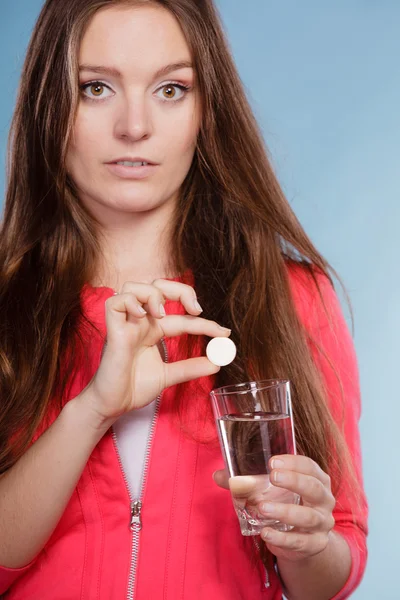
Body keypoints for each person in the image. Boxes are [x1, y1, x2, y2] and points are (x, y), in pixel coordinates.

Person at [0, 0, 368, 598]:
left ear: (205, 110)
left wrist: (306, 542)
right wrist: (92, 410)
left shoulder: (294, 298)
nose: (134, 126)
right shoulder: (8, 302)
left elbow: (339, 559)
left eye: (170, 89)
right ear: (48, 107)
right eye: (96, 88)